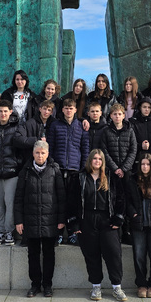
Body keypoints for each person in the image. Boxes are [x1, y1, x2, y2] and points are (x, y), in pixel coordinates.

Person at [69, 149, 127, 302]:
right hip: (87, 220)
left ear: (103, 161)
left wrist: (118, 219)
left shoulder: (111, 177)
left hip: (107, 220)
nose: (97, 161)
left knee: (113, 254)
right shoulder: (80, 177)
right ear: (90, 160)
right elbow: (72, 201)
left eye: (99, 159)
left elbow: (120, 199)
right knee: (92, 255)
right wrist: (74, 223)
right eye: (94, 159)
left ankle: (117, 287)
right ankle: (96, 286)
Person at [14, 141, 66, 297]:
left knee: (49, 254)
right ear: (33, 154)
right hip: (31, 220)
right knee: (33, 254)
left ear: (48, 154)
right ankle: (35, 284)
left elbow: (61, 197)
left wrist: (61, 219)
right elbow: (18, 198)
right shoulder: (26, 171)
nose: (40, 156)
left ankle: (47, 285)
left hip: (50, 221)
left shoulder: (55, 170)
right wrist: (18, 220)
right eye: (37, 153)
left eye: (43, 153)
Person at [47, 98, 90, 245]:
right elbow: (50, 146)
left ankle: (72, 232)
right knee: (58, 202)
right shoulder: (55, 125)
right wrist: (52, 164)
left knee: (73, 203)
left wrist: (82, 166)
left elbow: (85, 147)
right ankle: (58, 233)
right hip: (58, 169)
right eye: (66, 108)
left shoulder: (81, 126)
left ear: (75, 110)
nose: (68, 110)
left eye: (71, 108)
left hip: (74, 170)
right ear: (62, 110)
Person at [125, 153, 151, 298]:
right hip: (138, 225)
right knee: (139, 256)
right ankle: (141, 284)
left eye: (147, 164)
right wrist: (133, 214)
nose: (145, 167)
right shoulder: (132, 180)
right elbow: (127, 200)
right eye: (143, 164)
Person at [99, 103, 137, 244]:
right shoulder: (106, 131)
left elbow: (133, 150)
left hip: (126, 172)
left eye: (119, 114)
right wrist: (115, 168)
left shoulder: (130, 130)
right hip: (111, 171)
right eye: (114, 114)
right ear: (110, 116)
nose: (117, 116)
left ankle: (126, 230)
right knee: (113, 199)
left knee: (126, 199)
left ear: (123, 115)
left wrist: (124, 168)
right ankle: (113, 229)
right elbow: (104, 150)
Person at [0, 101, 22, 246]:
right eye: (0, 111)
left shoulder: (17, 128)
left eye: (5, 111)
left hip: (11, 172)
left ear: (10, 112)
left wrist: (17, 163)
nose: (3, 114)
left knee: (10, 203)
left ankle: (9, 232)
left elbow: (21, 149)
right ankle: (0, 231)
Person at [16, 99, 55, 166]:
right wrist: (36, 140)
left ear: (51, 112)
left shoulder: (54, 124)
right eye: (44, 109)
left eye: (49, 110)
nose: (46, 112)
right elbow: (18, 139)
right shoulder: (29, 123)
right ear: (40, 109)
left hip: (50, 160)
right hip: (31, 160)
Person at [130, 97, 151, 168]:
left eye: (149, 107)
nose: (147, 109)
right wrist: (141, 146)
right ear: (140, 108)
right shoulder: (133, 123)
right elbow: (130, 143)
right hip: (138, 160)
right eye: (144, 107)